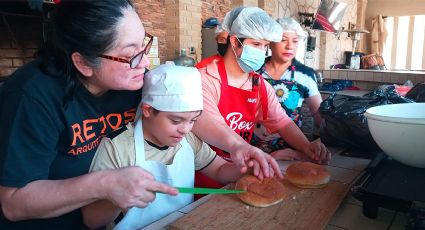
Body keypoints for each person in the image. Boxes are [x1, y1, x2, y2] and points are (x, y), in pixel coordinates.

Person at [0, 1, 278, 228]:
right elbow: (14, 202)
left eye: (144, 45)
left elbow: (183, 112)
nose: (144, 62)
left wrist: (237, 145)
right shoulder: (31, 98)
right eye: (131, 54)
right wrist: (104, 184)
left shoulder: (129, 78)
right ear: (83, 62)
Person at [82, 64, 244, 229]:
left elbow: (219, 169)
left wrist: (248, 169)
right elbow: (91, 220)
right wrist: (116, 197)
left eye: (193, 120)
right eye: (176, 120)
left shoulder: (188, 139)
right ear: (147, 110)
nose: (185, 129)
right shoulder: (117, 147)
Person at [192, 7, 331, 189]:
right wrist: (241, 147)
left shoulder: (259, 85)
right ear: (234, 42)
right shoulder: (204, 78)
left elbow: (281, 121)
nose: (262, 52)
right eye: (256, 44)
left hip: (241, 171)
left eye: (265, 46)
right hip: (204, 174)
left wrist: (306, 146)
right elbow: (208, 123)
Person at [251, 17, 328, 157]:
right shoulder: (253, 70)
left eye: (295, 41)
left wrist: (320, 142)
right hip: (251, 148)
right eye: (283, 39)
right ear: (270, 42)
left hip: (290, 150)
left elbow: (320, 117)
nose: (290, 46)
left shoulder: (305, 75)